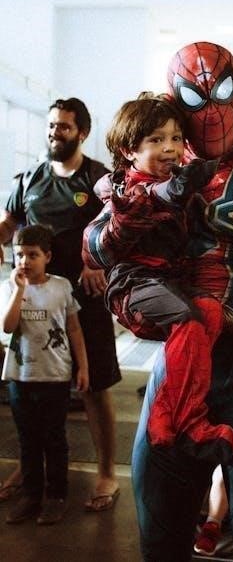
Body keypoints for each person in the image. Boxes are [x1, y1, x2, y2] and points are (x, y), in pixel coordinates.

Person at [83, 41, 233, 561]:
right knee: (159, 524)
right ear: (173, 99)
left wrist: (198, 320)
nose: (210, 112)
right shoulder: (159, 160)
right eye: (192, 97)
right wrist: (127, 234)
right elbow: (95, 246)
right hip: (182, 360)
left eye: (221, 93)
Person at [83, 92, 233, 464]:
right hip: (134, 284)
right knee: (188, 318)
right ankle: (189, 422)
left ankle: (165, 419)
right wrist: (122, 223)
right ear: (129, 150)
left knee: (209, 313)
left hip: (170, 283)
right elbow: (93, 247)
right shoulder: (126, 191)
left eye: (175, 138)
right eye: (156, 140)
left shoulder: (180, 188)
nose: (170, 148)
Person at [0, 97, 121, 512]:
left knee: (95, 388)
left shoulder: (98, 179)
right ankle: (28, 469)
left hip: (85, 301)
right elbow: (9, 223)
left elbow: (119, 227)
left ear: (82, 133)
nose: (55, 133)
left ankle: (106, 472)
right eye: (52, 126)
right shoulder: (31, 178)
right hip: (37, 304)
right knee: (34, 391)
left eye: (64, 127)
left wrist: (96, 261)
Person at [1, 225, 89, 525]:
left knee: (54, 439)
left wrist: (83, 367)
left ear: (47, 257)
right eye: (20, 255)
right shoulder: (10, 287)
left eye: (32, 255)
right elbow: (8, 326)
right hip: (20, 376)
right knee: (27, 440)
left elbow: (74, 329)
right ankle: (30, 496)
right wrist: (19, 291)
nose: (25, 261)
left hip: (55, 376)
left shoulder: (61, 287)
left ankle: (56, 496)